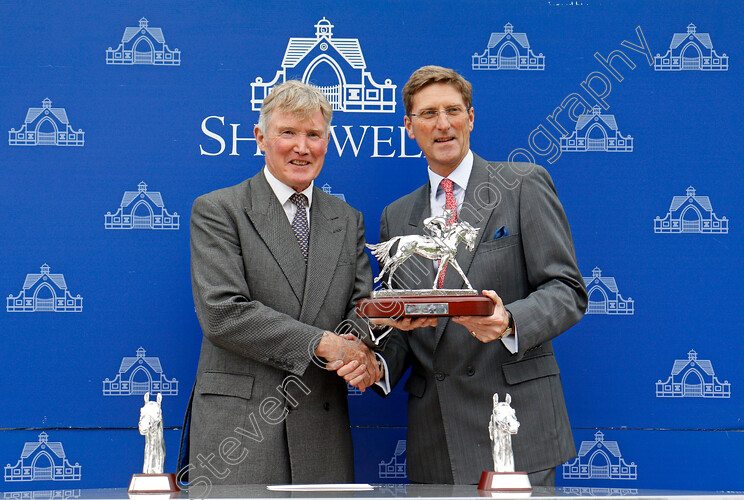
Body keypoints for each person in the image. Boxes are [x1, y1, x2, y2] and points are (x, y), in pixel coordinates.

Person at [373, 66, 588, 486]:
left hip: (515, 422)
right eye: (428, 113)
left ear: (471, 118)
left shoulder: (524, 184)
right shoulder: (396, 216)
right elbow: (406, 325)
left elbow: (567, 290)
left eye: (453, 110)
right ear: (409, 127)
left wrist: (509, 320)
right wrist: (376, 361)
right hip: (438, 434)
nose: (443, 123)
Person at [186, 80, 380, 485]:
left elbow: (360, 313)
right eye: (288, 132)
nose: (302, 147)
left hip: (322, 428)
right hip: (241, 433)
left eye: (314, 134)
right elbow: (223, 313)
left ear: (328, 141)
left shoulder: (347, 220)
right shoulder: (219, 210)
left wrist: (367, 354)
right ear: (260, 138)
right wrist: (323, 344)